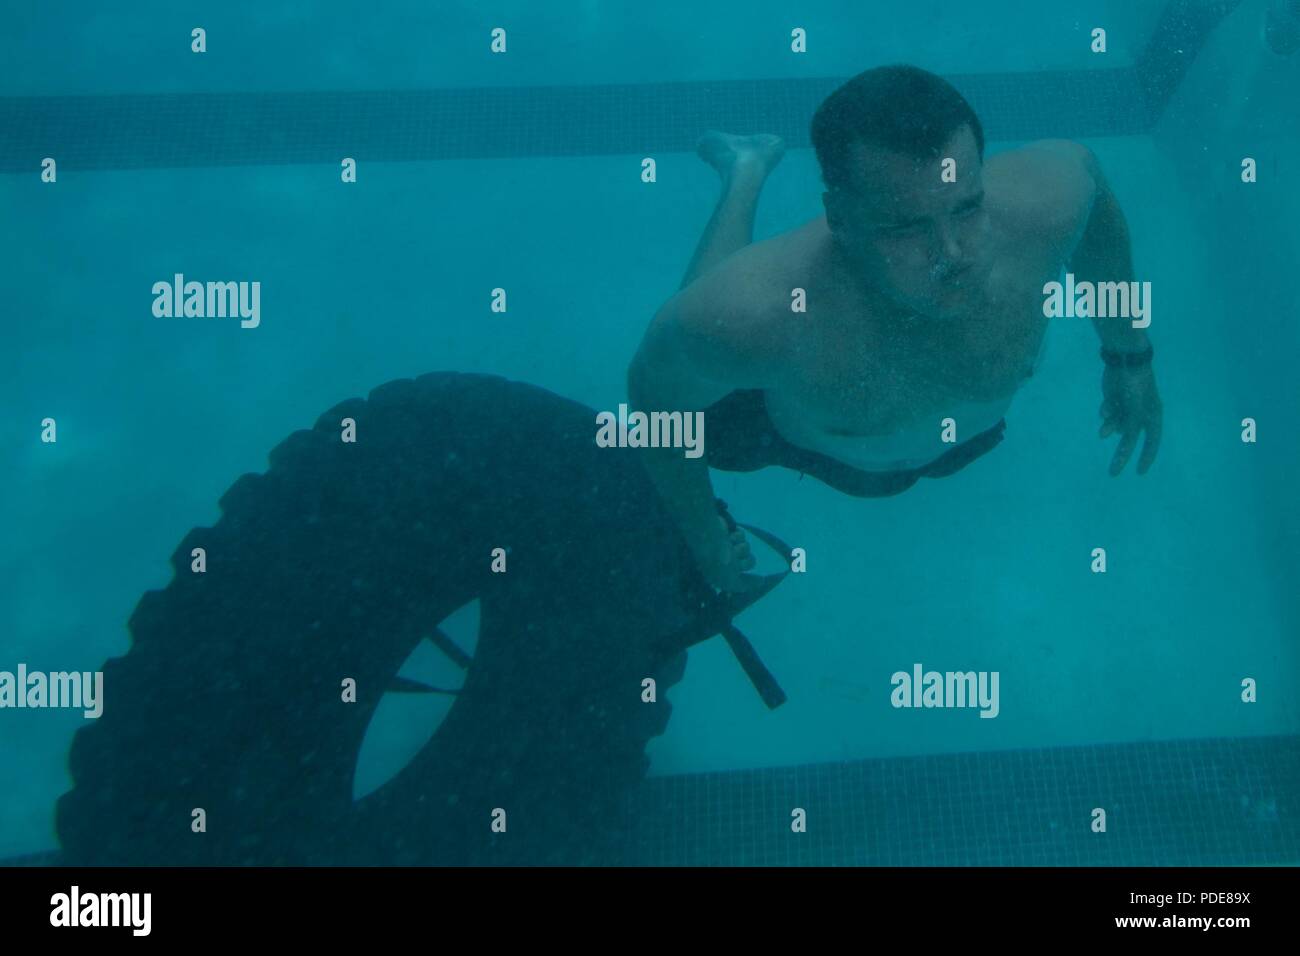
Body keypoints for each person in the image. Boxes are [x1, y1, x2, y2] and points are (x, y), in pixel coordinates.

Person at [628, 64, 1163, 594]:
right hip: (786, 436)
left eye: (967, 207)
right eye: (905, 228)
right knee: (699, 318)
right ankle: (743, 172)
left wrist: (1128, 353)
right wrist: (701, 533)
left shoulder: (1048, 207)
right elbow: (657, 398)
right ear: (839, 218)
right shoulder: (762, 318)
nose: (951, 255)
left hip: (959, 443)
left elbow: (1097, 201)